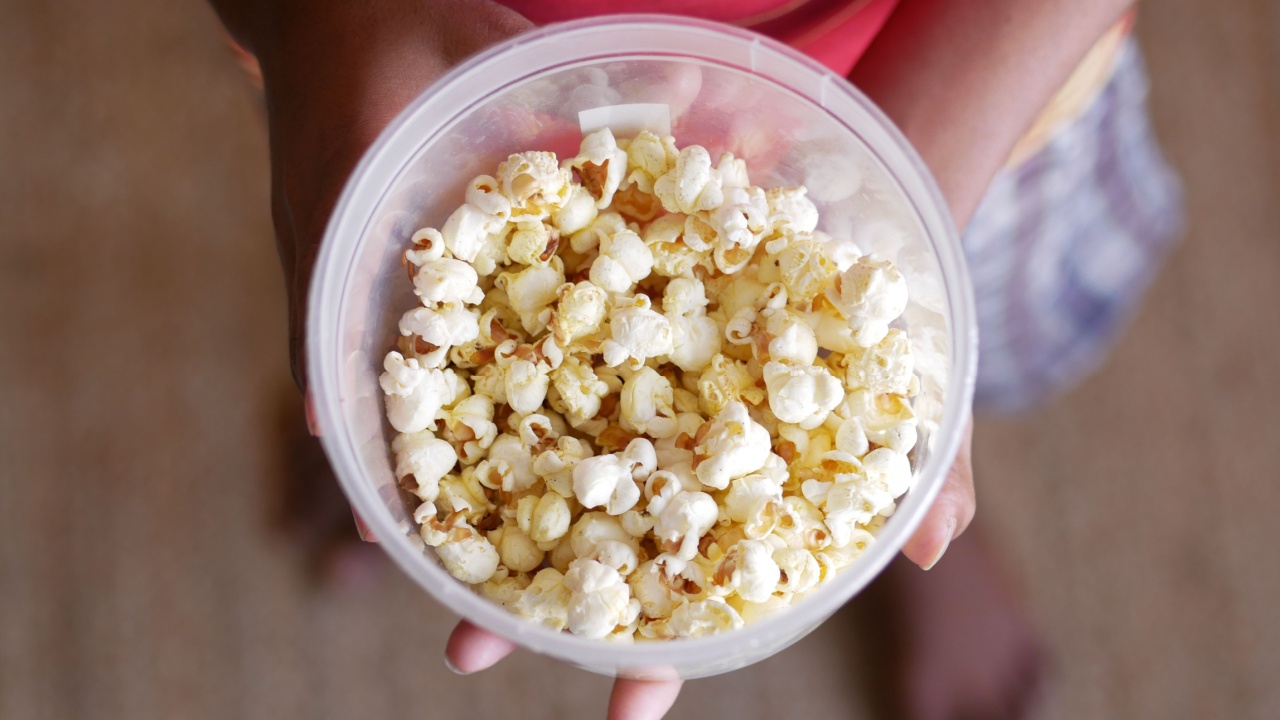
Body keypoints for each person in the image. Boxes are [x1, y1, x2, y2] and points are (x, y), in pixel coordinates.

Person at [209, 1, 1181, 718]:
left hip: (969, 97)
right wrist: (318, 28)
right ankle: (399, 435)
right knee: (363, 284)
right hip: (442, 87)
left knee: (942, 358)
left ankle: (888, 539)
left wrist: (893, 202)